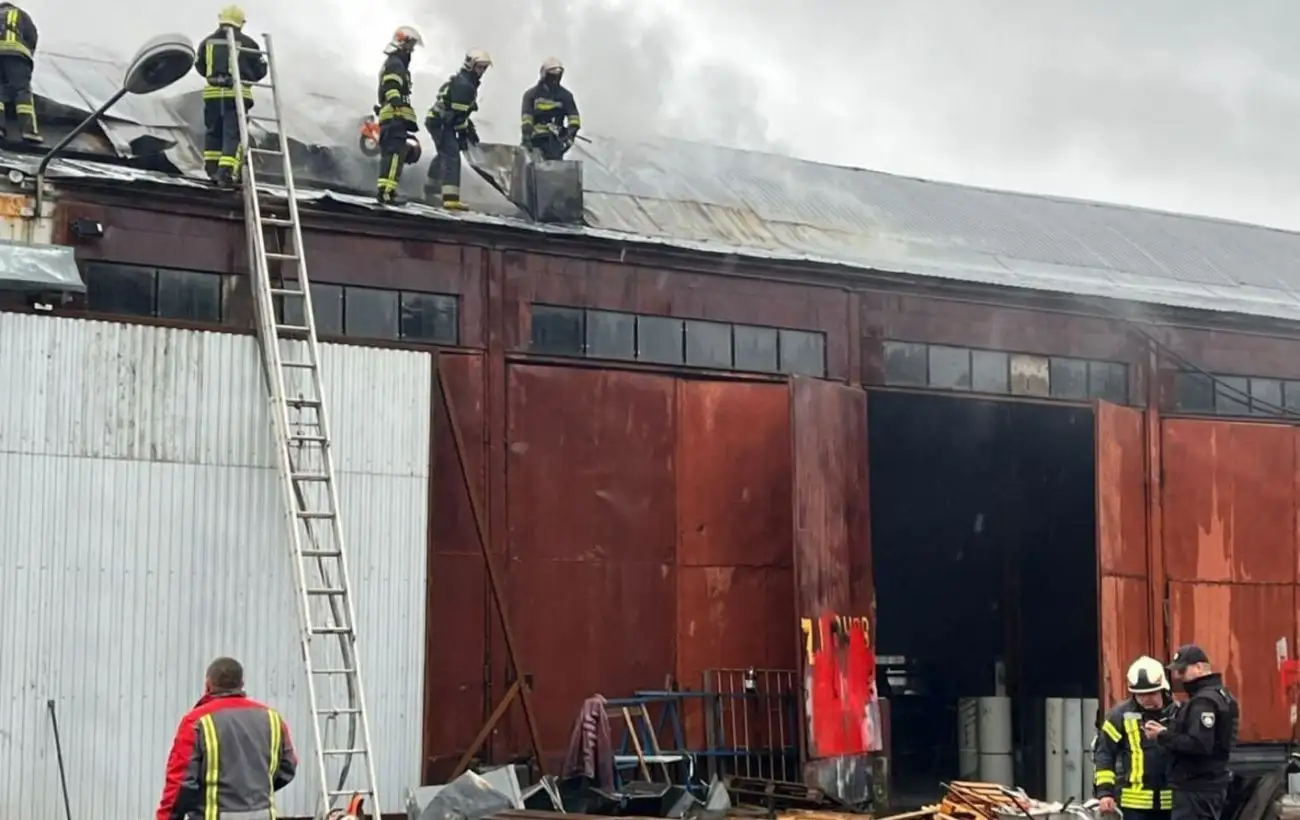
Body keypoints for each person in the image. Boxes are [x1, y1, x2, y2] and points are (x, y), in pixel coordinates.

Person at [155, 656, 297, 820]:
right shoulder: (272, 719)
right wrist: (252, 790)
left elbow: (180, 784)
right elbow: (288, 767)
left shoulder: (196, 721)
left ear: (208, 685)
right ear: (241, 684)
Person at [1144, 645, 1239, 820]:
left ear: (1199, 668)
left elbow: (1199, 744)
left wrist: (1162, 735)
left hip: (1196, 789)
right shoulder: (1222, 695)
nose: (1178, 677)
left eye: (1182, 671)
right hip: (1209, 785)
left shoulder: (1203, 702)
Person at [1093, 656, 1177, 820]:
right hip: (1134, 806)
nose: (1145, 699)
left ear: (1163, 689)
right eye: (1140, 695)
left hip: (1173, 803)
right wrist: (1104, 792)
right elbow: (1104, 754)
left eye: (1151, 693)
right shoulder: (1120, 715)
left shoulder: (1178, 713)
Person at [194, 6, 267, 186]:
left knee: (213, 132)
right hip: (237, 96)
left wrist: (216, 76)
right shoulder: (249, 44)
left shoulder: (207, 42)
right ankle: (226, 173)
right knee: (233, 134)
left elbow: (200, 66)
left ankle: (211, 169)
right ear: (241, 22)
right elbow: (260, 70)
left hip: (212, 95)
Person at [424, 48, 491, 210]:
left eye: (484, 68)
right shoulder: (465, 85)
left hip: (440, 120)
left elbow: (461, 114)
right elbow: (457, 116)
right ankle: (450, 198)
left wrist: (468, 129)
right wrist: (463, 132)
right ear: (470, 65)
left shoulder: (466, 81)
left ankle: (431, 187)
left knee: (444, 152)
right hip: (441, 122)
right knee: (452, 154)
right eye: (479, 67)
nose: (482, 71)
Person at [374, 25, 423, 204]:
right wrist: (397, 104)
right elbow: (391, 86)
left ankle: (387, 191)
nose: (411, 50)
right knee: (395, 155)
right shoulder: (396, 63)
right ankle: (387, 192)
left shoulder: (396, 62)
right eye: (410, 46)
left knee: (393, 155)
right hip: (395, 117)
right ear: (402, 44)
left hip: (393, 117)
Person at [520, 57, 581, 160]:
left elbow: (574, 118)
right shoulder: (532, 95)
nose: (554, 80)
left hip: (555, 142)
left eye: (557, 76)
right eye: (552, 76)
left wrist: (570, 134)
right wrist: (527, 136)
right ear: (544, 74)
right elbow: (527, 117)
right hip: (535, 140)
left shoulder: (565, 96)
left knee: (553, 170)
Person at [0, 1, 39, 143]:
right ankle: (28, 131)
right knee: (21, 91)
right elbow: (32, 36)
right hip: (17, 55)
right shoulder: (21, 15)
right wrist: (28, 54)